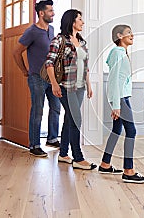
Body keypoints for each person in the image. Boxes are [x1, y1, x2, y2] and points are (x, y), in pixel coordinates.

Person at [45, 9, 96, 170]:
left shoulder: (82, 41)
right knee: (75, 120)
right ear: (72, 21)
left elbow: (85, 65)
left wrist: (88, 84)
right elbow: (49, 63)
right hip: (66, 87)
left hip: (79, 87)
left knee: (69, 119)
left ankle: (63, 154)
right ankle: (78, 158)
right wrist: (54, 84)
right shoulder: (59, 40)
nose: (82, 22)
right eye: (80, 19)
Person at [99, 24, 144, 183]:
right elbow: (113, 79)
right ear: (119, 36)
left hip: (122, 97)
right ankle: (128, 170)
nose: (132, 35)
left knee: (116, 129)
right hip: (120, 98)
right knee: (131, 131)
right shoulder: (117, 53)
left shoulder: (121, 52)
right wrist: (116, 104)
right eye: (128, 33)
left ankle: (105, 163)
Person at [13, 0, 61, 157]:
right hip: (37, 78)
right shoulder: (31, 31)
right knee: (38, 110)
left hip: (52, 77)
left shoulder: (51, 29)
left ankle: (52, 138)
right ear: (41, 13)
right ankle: (34, 144)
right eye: (50, 11)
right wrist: (24, 70)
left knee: (55, 108)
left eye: (53, 10)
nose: (53, 13)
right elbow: (16, 52)